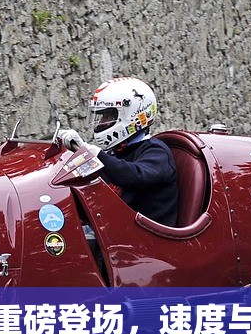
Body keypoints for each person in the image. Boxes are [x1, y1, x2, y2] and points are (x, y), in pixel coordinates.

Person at [57, 77, 179, 227]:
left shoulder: (157, 152)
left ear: (131, 116)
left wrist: (94, 153)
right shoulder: (117, 153)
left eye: (108, 117)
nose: (102, 122)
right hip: (118, 230)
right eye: (102, 117)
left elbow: (134, 176)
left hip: (148, 239)